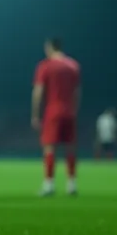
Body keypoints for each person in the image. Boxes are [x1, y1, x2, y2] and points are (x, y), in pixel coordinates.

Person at [31, 37, 81, 196]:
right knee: (70, 148)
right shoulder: (73, 66)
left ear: (50, 47)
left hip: (53, 110)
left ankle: (49, 184)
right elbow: (77, 92)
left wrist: (35, 114)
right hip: (69, 111)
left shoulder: (45, 66)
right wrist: (74, 110)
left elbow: (38, 92)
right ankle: (72, 184)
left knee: (49, 147)